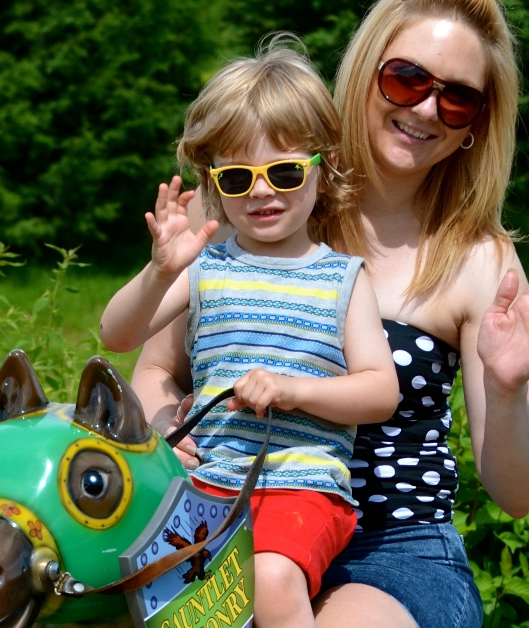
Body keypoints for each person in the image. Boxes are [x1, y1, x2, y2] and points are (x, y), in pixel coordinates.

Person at [128, 1, 529, 627]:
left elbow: (518, 496)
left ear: (475, 126)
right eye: (406, 78)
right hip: (225, 522)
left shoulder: (477, 258)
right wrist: (168, 432)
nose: (426, 109)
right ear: (363, 74)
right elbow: (154, 371)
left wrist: (507, 388)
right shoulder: (252, 198)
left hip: (392, 552)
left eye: (457, 98)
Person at [99, 43, 400, 628]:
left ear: (324, 167)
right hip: (204, 481)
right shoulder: (206, 268)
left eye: (284, 172)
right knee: (147, 586)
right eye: (238, 178)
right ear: (215, 182)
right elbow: (116, 334)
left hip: (303, 484)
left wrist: (293, 390)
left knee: (267, 578)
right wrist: (160, 270)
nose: (262, 192)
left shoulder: (342, 279)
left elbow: (379, 391)